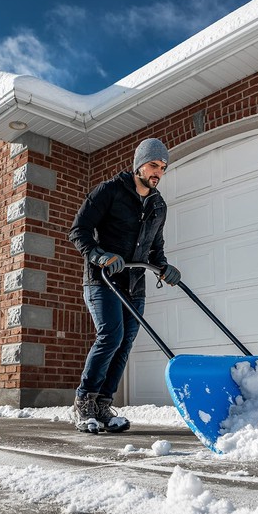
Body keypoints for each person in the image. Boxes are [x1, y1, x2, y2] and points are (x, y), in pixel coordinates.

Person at [68, 138, 181, 433]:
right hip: (102, 280)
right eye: (153, 165)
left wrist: (164, 267)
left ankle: (103, 406)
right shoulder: (109, 191)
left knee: (125, 343)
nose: (158, 172)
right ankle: (83, 402)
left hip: (134, 284)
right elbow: (78, 230)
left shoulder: (158, 205)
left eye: (163, 167)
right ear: (138, 165)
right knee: (111, 335)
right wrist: (99, 255)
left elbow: (156, 247)